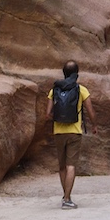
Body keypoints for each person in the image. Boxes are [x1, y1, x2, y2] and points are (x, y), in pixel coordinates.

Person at [45, 61, 93, 208]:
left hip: (59, 132)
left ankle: (66, 196)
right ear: (76, 74)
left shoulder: (54, 90)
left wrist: (59, 118)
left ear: (64, 73)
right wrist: (95, 125)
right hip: (74, 131)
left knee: (62, 167)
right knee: (71, 166)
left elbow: (47, 114)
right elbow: (91, 111)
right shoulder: (81, 89)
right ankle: (67, 199)